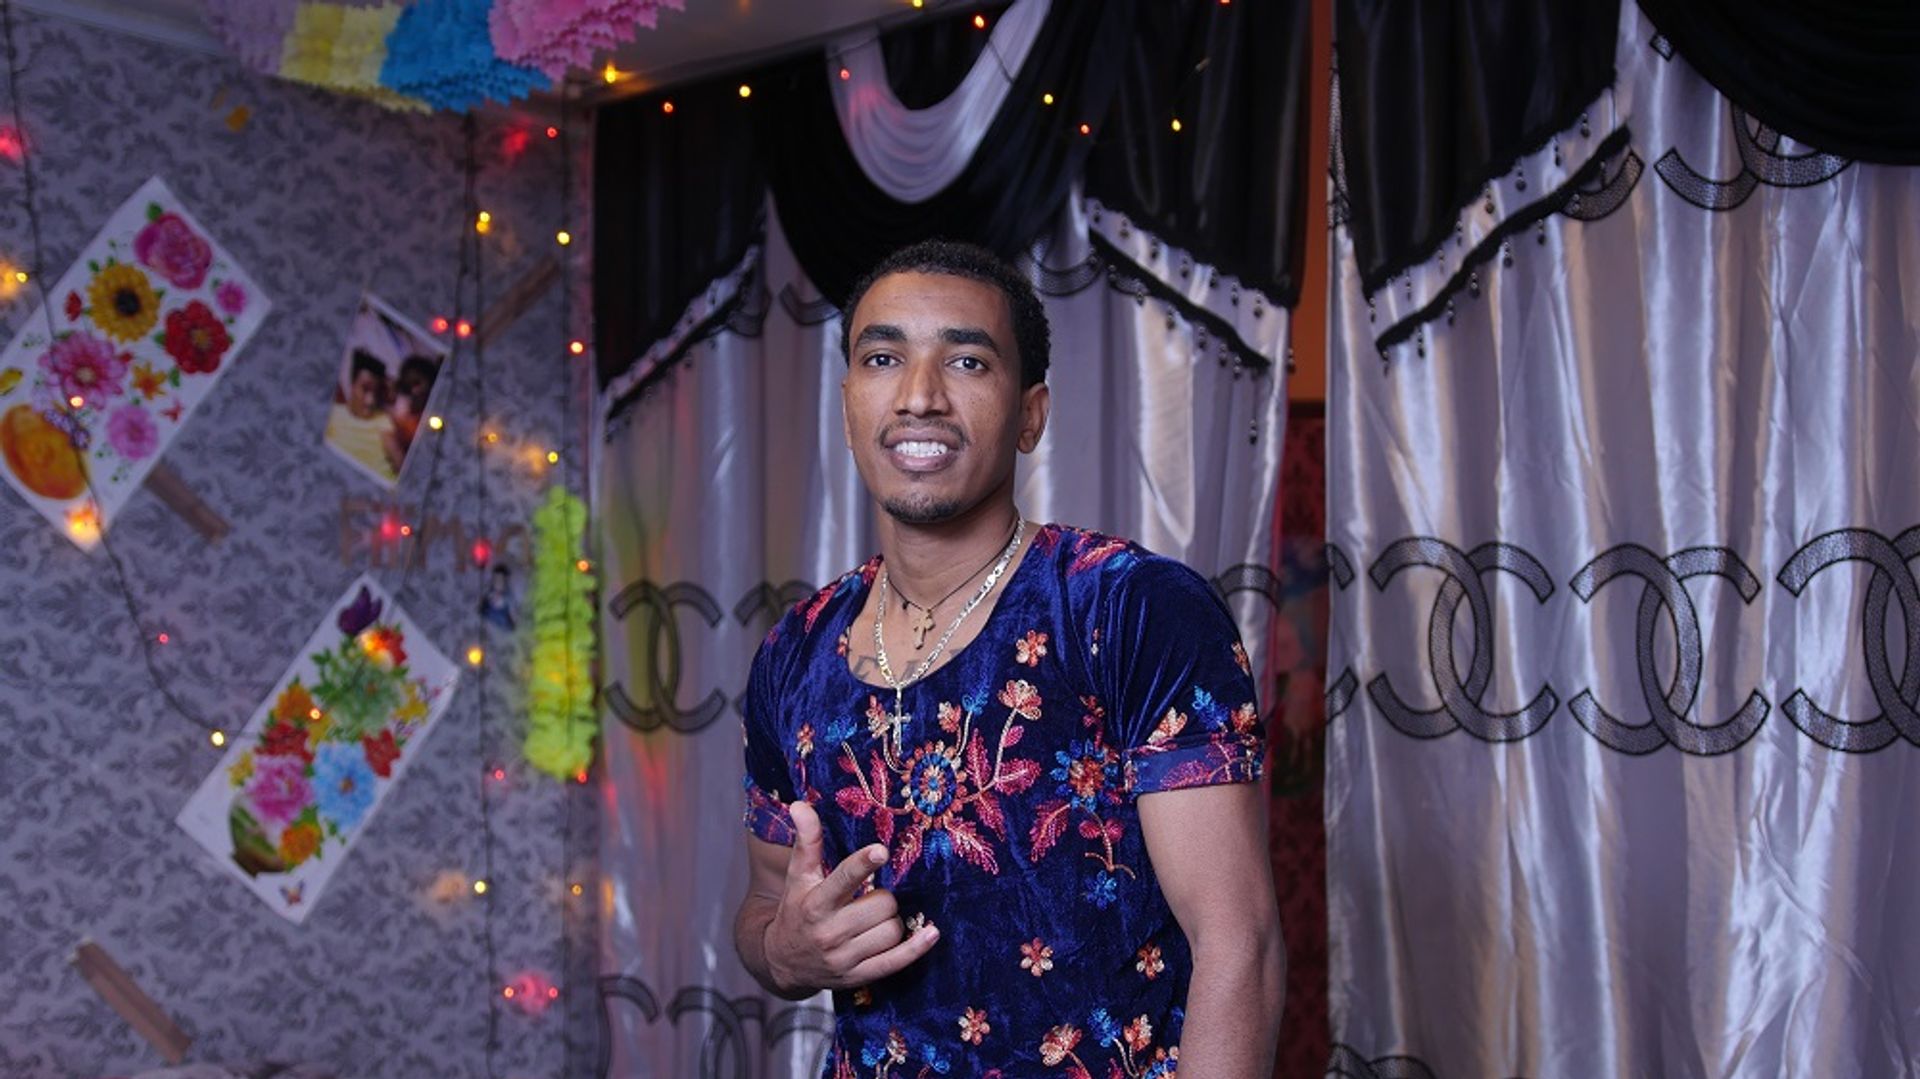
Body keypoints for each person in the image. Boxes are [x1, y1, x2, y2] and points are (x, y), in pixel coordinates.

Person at [734, 240, 1284, 1077]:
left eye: (967, 360)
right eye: (883, 358)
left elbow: (1239, 941)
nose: (919, 395)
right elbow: (766, 903)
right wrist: (784, 950)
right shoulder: (796, 650)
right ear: (848, 406)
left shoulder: (1127, 608)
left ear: (1031, 414)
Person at [324, 349, 399, 483]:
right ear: (352, 385)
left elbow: (399, 461)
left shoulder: (382, 420)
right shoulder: (333, 414)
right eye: (365, 389)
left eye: (376, 392)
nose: (371, 400)